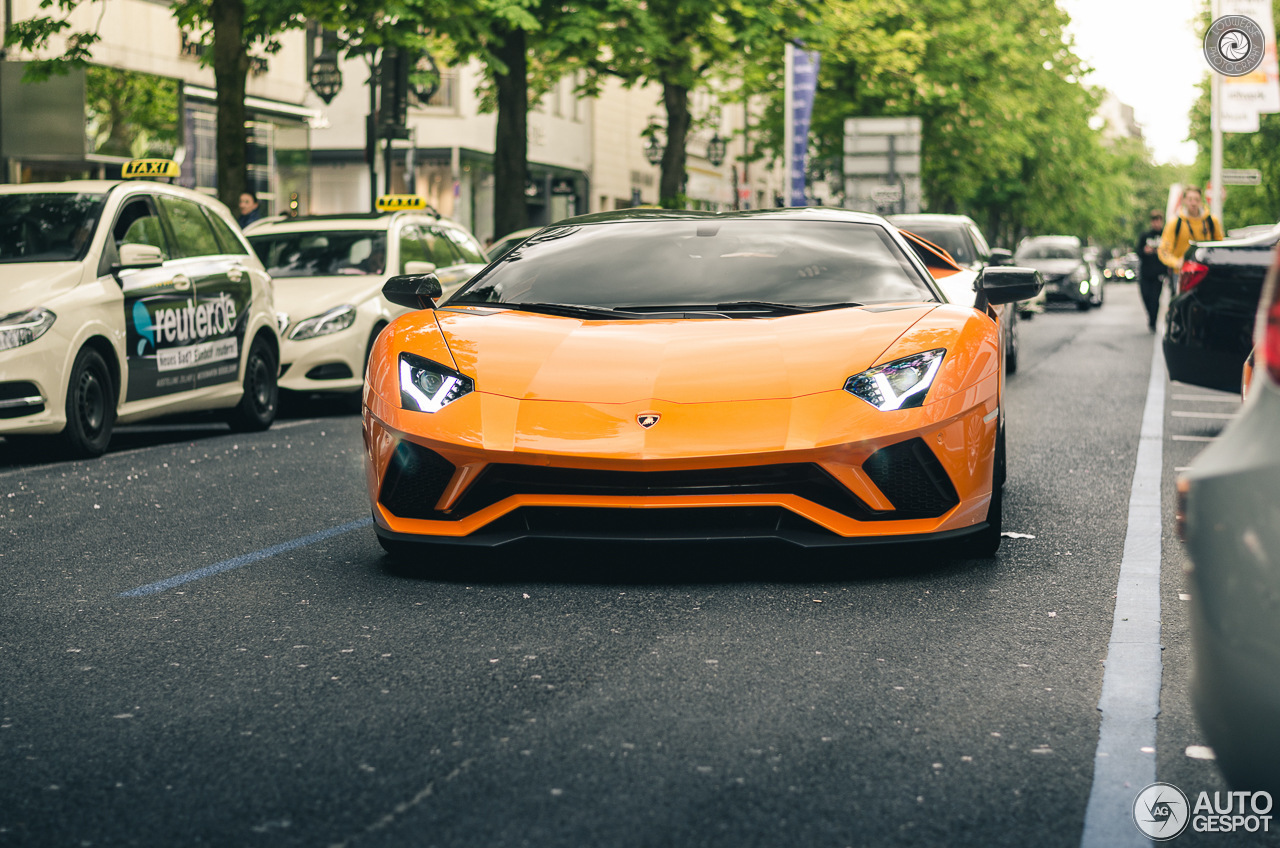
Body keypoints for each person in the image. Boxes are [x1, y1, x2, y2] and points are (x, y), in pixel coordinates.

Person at [1158, 185, 1223, 290]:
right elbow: (1164, 250)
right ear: (1184, 200)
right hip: (1183, 274)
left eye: (1196, 200)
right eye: (1190, 199)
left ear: (1201, 201)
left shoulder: (1211, 221)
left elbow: (1220, 245)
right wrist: (1176, 263)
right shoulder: (1175, 223)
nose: (1193, 203)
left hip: (1206, 272)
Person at [1136, 210, 1166, 331]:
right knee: (1145, 296)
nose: (1156, 223)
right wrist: (1144, 251)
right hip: (1145, 273)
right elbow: (1137, 251)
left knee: (1155, 298)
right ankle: (1151, 316)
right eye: (1154, 220)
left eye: (1158, 220)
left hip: (1158, 274)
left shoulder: (1165, 235)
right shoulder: (1145, 236)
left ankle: (1153, 321)